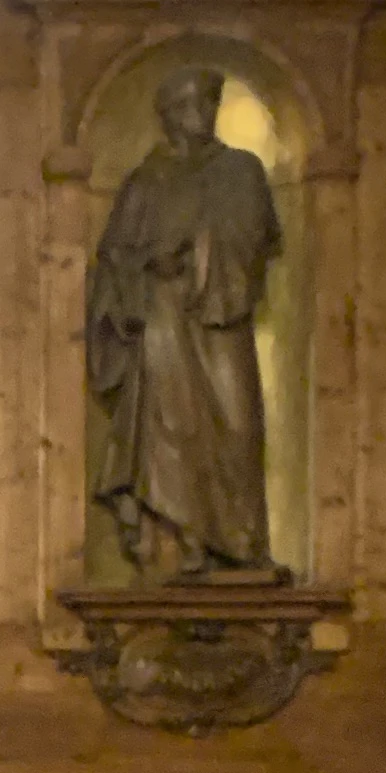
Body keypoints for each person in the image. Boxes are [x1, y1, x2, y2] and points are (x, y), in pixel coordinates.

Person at [86, 67, 284, 579]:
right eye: (188, 105)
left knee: (238, 423)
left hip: (221, 317)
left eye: (206, 104)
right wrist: (151, 264)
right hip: (164, 319)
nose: (199, 115)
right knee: (171, 432)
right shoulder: (145, 183)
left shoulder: (241, 170)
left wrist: (202, 251)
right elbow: (114, 261)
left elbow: (258, 235)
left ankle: (242, 545)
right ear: (169, 114)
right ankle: (187, 549)